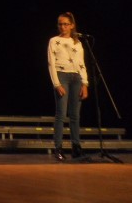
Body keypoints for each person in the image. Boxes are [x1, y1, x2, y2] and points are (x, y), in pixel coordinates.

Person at [47, 11, 89, 161]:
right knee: (61, 114)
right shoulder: (54, 41)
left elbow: (81, 64)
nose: (63, 27)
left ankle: (76, 147)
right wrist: (56, 83)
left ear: (72, 25)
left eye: (66, 24)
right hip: (62, 75)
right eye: (60, 24)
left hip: (76, 77)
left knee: (75, 115)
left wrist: (85, 83)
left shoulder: (77, 43)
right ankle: (58, 147)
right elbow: (51, 63)